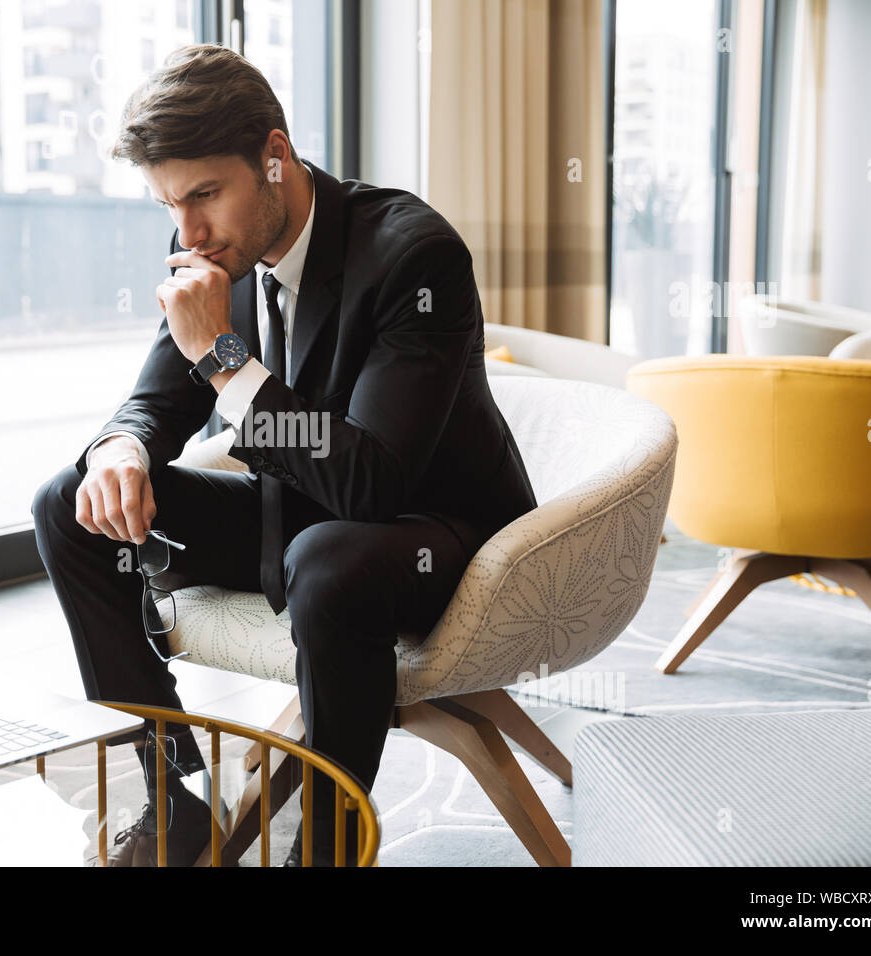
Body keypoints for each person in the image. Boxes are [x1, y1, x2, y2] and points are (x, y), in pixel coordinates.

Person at [31, 43, 537, 867]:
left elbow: (371, 481)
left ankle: (327, 849)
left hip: (434, 535)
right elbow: (157, 401)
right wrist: (121, 447)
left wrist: (227, 361)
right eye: (168, 205)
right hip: (296, 518)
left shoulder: (414, 256)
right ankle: (166, 802)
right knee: (71, 502)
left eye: (204, 195)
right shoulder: (217, 253)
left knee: (331, 556)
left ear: (274, 156)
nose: (187, 233)